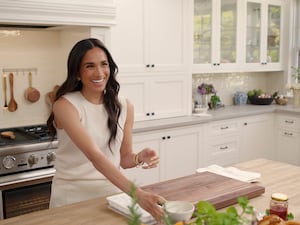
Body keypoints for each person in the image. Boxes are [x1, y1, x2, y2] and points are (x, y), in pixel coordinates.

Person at [47, 38, 165, 221]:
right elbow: (95, 157)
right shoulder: (65, 106)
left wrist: (139, 157)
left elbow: (124, 159)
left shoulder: (124, 106)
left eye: (104, 64)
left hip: (111, 198)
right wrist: (139, 195)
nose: (99, 72)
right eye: (90, 66)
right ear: (77, 73)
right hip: (71, 198)